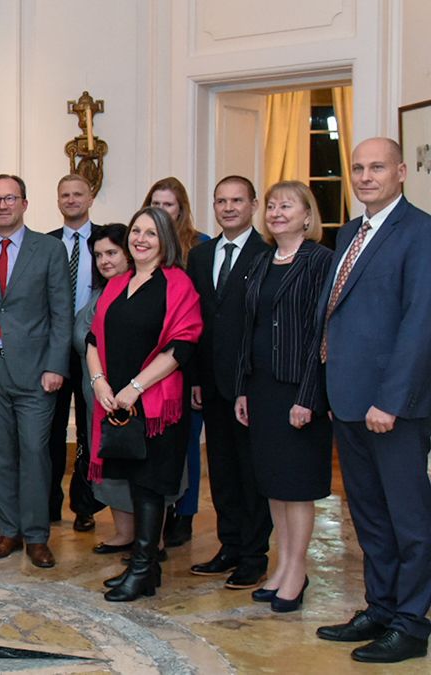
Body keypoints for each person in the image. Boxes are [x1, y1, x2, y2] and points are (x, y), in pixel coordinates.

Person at [315, 137, 431, 664]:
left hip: (393, 407)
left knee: (410, 521)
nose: (365, 176)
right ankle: (380, 608)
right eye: (358, 167)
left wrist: (391, 400)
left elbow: (419, 323)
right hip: (349, 400)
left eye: (377, 167)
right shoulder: (348, 232)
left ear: (401, 172)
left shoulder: (421, 232)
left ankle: (412, 623)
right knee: (369, 517)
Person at [0, 174, 71, 569]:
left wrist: (56, 365)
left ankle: (37, 536)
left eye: (10, 198)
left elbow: (61, 313)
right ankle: (9, 531)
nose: (2, 205)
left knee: (35, 453)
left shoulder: (50, 250)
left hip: (37, 372)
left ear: (24, 203)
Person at [87, 206, 202, 602]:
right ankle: (147, 569)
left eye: (151, 233)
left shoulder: (177, 283)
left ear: (165, 240)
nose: (140, 239)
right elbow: (92, 339)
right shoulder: (117, 284)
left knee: (150, 486)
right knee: (135, 484)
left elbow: (182, 345)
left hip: (156, 406)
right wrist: (99, 382)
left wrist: (135, 387)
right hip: (118, 404)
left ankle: (141, 569)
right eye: (136, 231)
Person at [232, 180, 333, 613]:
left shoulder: (320, 261)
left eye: (286, 206)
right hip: (262, 387)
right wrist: (242, 388)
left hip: (298, 388)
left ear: (307, 215)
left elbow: (321, 333)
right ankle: (282, 564)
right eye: (271, 206)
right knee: (273, 483)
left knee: (297, 485)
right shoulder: (260, 260)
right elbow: (248, 328)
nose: (275, 213)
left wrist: (308, 396)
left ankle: (297, 569)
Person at [186, 175, 272, 589]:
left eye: (237, 200)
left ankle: (254, 555)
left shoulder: (267, 254)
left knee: (251, 472)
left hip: (250, 384)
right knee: (220, 471)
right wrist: (195, 378)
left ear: (253, 205)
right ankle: (229, 545)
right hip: (211, 382)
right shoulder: (200, 256)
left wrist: (250, 384)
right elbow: (196, 321)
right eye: (221, 201)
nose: (229, 207)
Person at [141, 176, 206, 546]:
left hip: (188, 360)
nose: (162, 210)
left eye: (168, 204)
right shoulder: (142, 245)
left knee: (187, 444)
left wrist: (195, 375)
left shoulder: (198, 247)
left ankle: (185, 513)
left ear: (181, 209)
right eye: (156, 203)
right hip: (150, 363)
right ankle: (156, 515)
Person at [72, 224, 136, 554]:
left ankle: (148, 537)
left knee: (137, 466)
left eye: (112, 253)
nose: (104, 261)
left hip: (131, 397)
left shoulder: (140, 289)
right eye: (98, 255)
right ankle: (124, 532)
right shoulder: (101, 292)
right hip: (98, 397)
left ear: (129, 253)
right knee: (109, 464)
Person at [48, 174, 98, 531]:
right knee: (49, 431)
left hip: (93, 350)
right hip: (53, 350)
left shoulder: (108, 241)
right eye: (64, 194)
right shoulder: (45, 244)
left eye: (78, 194)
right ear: (58, 201)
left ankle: (85, 505)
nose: (71, 200)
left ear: (90, 198)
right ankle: (49, 503)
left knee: (88, 430)